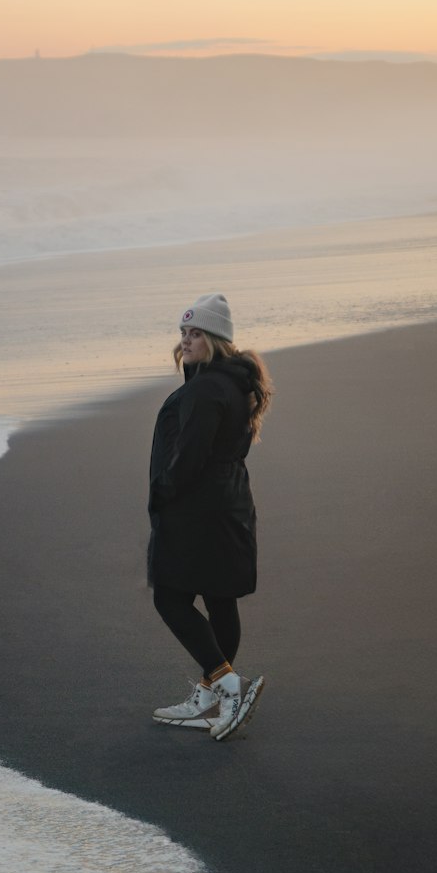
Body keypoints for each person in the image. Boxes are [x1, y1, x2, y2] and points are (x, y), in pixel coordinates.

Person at [147, 292, 272, 741]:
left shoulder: (204, 389)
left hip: (198, 510)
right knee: (220, 599)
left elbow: (190, 455)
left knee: (169, 597)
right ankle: (209, 694)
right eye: (183, 333)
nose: (186, 341)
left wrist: (162, 491)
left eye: (195, 333)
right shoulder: (232, 382)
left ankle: (228, 684)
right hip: (228, 502)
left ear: (216, 339)